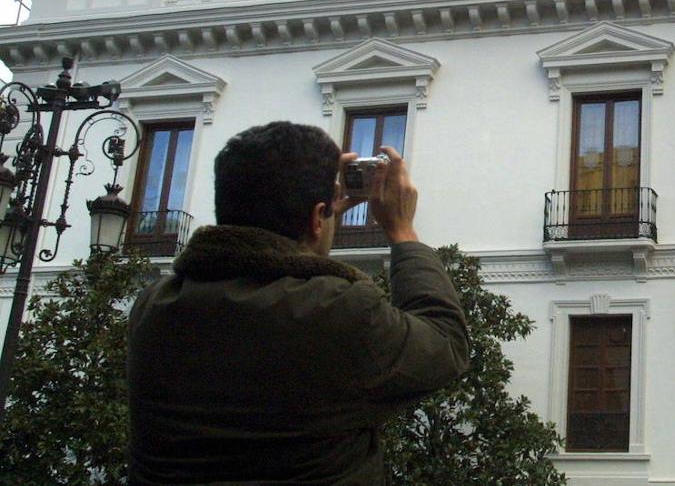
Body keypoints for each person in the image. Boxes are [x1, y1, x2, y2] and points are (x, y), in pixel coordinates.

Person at [127, 121, 469, 485]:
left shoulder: (154, 308)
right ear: (316, 217)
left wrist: (313, 218)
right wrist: (402, 231)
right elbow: (445, 343)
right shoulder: (338, 311)